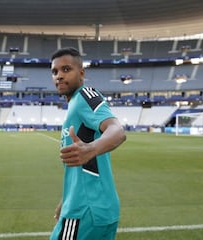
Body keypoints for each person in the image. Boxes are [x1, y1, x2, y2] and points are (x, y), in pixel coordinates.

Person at [49, 47, 126, 240]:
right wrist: (64, 200)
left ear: (81, 73)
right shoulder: (75, 105)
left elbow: (117, 130)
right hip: (97, 207)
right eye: (55, 71)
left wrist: (91, 149)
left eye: (66, 69)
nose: (59, 76)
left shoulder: (85, 95)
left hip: (83, 211)